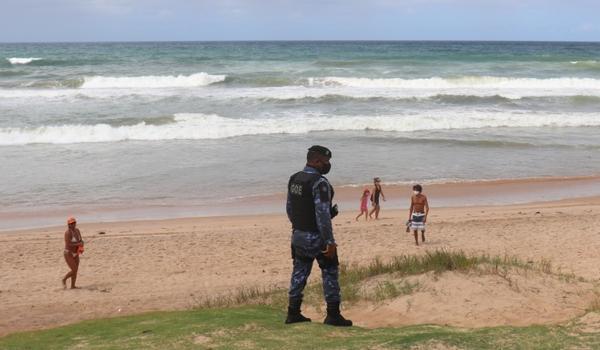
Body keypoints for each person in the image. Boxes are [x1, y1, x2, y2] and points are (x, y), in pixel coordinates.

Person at [285, 145, 352, 327]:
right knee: (330, 273)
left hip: (298, 234)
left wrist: (298, 228)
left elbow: (290, 209)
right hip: (317, 237)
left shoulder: (295, 179)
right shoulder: (319, 183)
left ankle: (293, 313)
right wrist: (329, 241)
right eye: (325, 162)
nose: (327, 165)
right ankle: (333, 315)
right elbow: (322, 215)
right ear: (315, 161)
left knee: (299, 274)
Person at [62, 217, 84, 289]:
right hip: (68, 253)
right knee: (74, 270)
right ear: (69, 225)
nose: (73, 224)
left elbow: (80, 240)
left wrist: (82, 243)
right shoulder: (67, 233)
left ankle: (73, 286)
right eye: (71, 223)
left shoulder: (77, 231)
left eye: (74, 223)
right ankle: (64, 279)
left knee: (76, 270)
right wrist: (78, 244)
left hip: (76, 253)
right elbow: (69, 244)